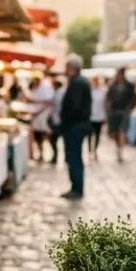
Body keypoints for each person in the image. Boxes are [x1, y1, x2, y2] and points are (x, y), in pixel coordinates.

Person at [58, 59, 93, 199]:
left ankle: (77, 188)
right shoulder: (79, 82)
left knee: (74, 157)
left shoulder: (78, 83)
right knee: (74, 157)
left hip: (75, 126)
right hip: (77, 124)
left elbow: (75, 106)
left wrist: (66, 122)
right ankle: (76, 187)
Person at [105, 68, 136, 163]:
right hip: (114, 111)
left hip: (124, 110)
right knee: (115, 133)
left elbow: (134, 98)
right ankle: (118, 147)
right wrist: (109, 108)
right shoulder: (112, 86)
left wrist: (130, 108)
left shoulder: (129, 86)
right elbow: (108, 98)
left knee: (122, 131)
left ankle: (120, 151)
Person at [28, 76, 55, 162]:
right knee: (37, 136)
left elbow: (48, 100)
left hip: (43, 115)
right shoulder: (35, 89)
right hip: (37, 115)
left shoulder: (45, 88)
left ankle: (51, 153)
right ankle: (40, 153)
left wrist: (37, 104)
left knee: (46, 135)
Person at [89, 76, 107, 161]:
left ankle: (95, 150)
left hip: (100, 116)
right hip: (90, 116)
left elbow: (105, 103)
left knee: (97, 135)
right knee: (89, 134)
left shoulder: (103, 91)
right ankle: (89, 151)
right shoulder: (90, 90)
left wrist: (105, 116)